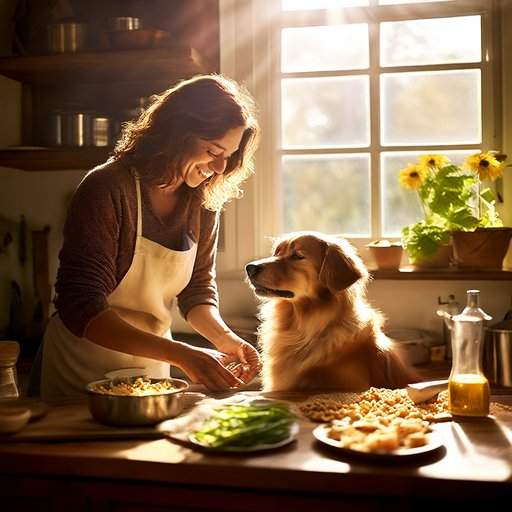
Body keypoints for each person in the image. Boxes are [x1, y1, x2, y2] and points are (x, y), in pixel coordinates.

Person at [40, 74, 261, 400]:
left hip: (149, 374)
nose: (218, 167)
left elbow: (197, 290)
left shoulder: (201, 202)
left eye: (228, 155)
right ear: (177, 133)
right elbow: (81, 305)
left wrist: (226, 339)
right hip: (80, 372)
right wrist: (182, 354)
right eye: (213, 150)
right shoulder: (107, 188)